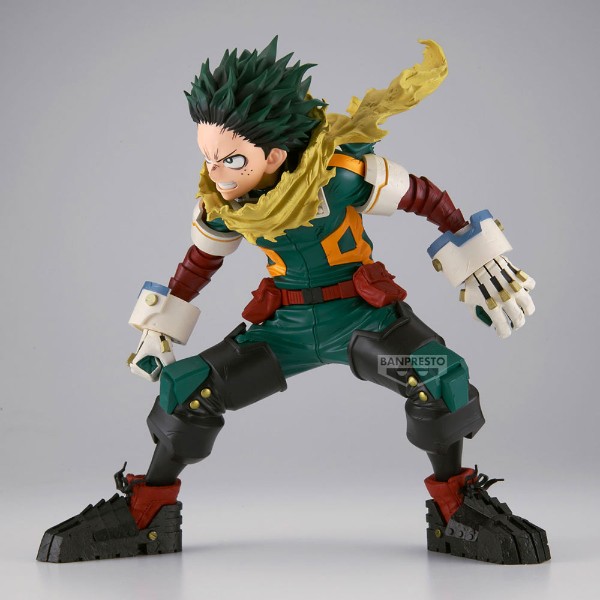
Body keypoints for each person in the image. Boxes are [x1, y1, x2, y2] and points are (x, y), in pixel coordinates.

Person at [37, 37, 549, 565]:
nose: (217, 172)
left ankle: (455, 506)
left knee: (438, 376)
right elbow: (200, 262)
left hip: (363, 324)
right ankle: (147, 513)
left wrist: (475, 253)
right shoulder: (227, 204)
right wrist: (159, 327)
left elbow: (424, 196)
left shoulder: (339, 175)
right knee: (186, 389)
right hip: (284, 331)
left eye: (232, 159)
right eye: (208, 157)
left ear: (276, 154)